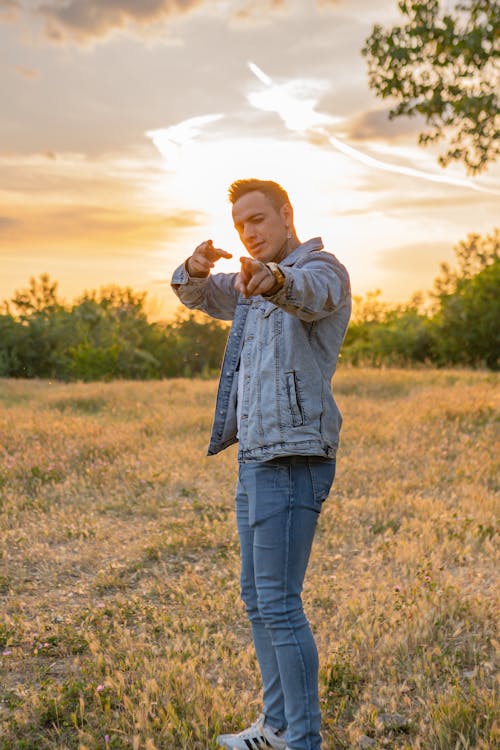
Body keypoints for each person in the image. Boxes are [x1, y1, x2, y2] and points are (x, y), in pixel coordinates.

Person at [171, 179, 351, 750]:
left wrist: (272, 279)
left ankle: (301, 739)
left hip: (294, 456)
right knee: (258, 599)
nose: (249, 231)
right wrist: (196, 269)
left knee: (279, 601)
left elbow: (306, 292)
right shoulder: (248, 283)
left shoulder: (321, 269)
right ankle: (275, 728)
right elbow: (196, 295)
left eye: (258, 218)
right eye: (240, 224)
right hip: (254, 457)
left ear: (286, 214)